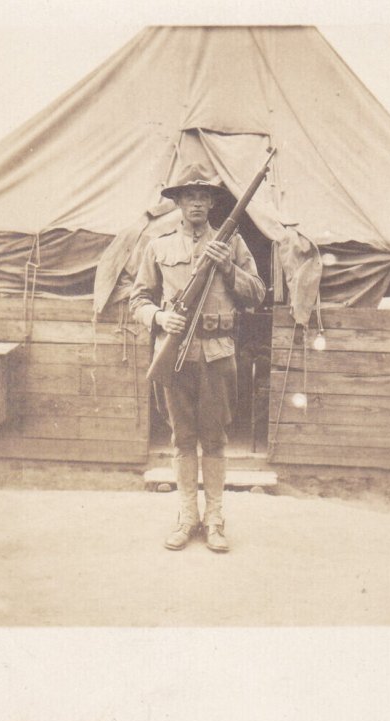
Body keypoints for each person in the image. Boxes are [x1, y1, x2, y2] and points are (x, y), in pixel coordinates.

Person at [130, 163, 265, 552]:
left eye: (204, 196)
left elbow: (256, 292)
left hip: (219, 354)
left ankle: (215, 519)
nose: (197, 203)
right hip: (176, 357)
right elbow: (138, 298)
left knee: (216, 440)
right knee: (182, 439)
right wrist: (158, 316)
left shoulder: (232, 245)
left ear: (211, 204)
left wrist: (226, 265)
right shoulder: (158, 245)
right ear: (178, 202)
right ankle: (187, 517)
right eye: (190, 196)